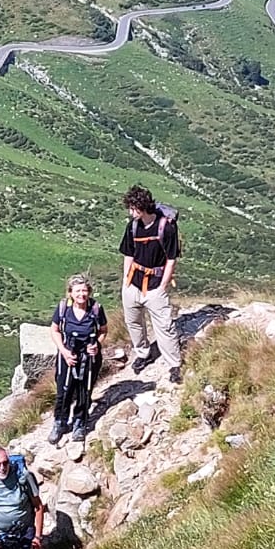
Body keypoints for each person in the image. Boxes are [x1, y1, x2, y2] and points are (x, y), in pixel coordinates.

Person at [119, 185, 181, 384]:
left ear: (142, 207)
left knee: (164, 326)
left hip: (155, 285)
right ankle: (143, 353)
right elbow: (128, 254)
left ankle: (174, 364)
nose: (131, 213)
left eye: (133, 208)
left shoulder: (166, 228)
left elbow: (171, 259)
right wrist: (126, 281)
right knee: (133, 322)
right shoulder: (133, 227)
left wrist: (163, 286)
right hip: (133, 283)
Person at [48, 275, 107, 444]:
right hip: (67, 354)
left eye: (85, 290)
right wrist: (64, 351)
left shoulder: (95, 309)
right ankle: (60, 422)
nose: (82, 294)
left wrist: (96, 344)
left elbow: (103, 330)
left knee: (84, 390)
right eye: (77, 291)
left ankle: (80, 422)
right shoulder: (63, 309)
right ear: (70, 293)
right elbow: (54, 330)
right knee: (63, 390)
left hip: (89, 357)